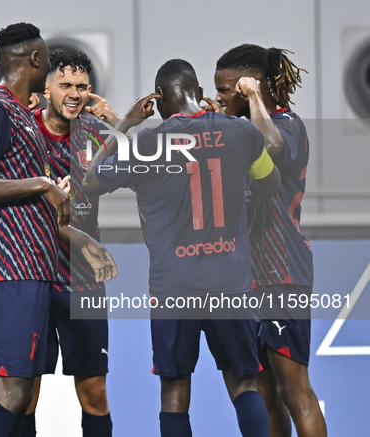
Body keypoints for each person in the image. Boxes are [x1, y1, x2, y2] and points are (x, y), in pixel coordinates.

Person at [83, 59, 281, 437]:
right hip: (231, 281)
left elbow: (90, 180)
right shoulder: (240, 133)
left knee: (174, 392)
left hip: (173, 287)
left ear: (159, 102)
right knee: (243, 384)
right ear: (201, 93)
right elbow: (270, 185)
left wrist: (124, 124)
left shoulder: (146, 144)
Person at [0, 23, 71, 437]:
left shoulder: (23, 114)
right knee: (12, 391)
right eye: (48, 60)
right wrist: (42, 185)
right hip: (8, 270)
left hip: (31, 270)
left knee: (21, 392)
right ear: (36, 60)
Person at [212, 44, 327, 437]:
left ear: (251, 89)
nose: (221, 97)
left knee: (294, 390)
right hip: (244, 279)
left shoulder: (286, 124)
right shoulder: (241, 132)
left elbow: (272, 147)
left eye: (228, 90)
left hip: (281, 272)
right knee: (263, 394)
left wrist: (257, 98)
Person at [24, 46, 119, 437]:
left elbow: (152, 167)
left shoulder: (95, 133)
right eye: (65, 84)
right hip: (33, 277)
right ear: (45, 88)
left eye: (81, 86)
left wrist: (118, 122)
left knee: (95, 394)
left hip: (83, 282)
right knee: (24, 394)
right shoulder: (24, 129)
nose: (74, 94)